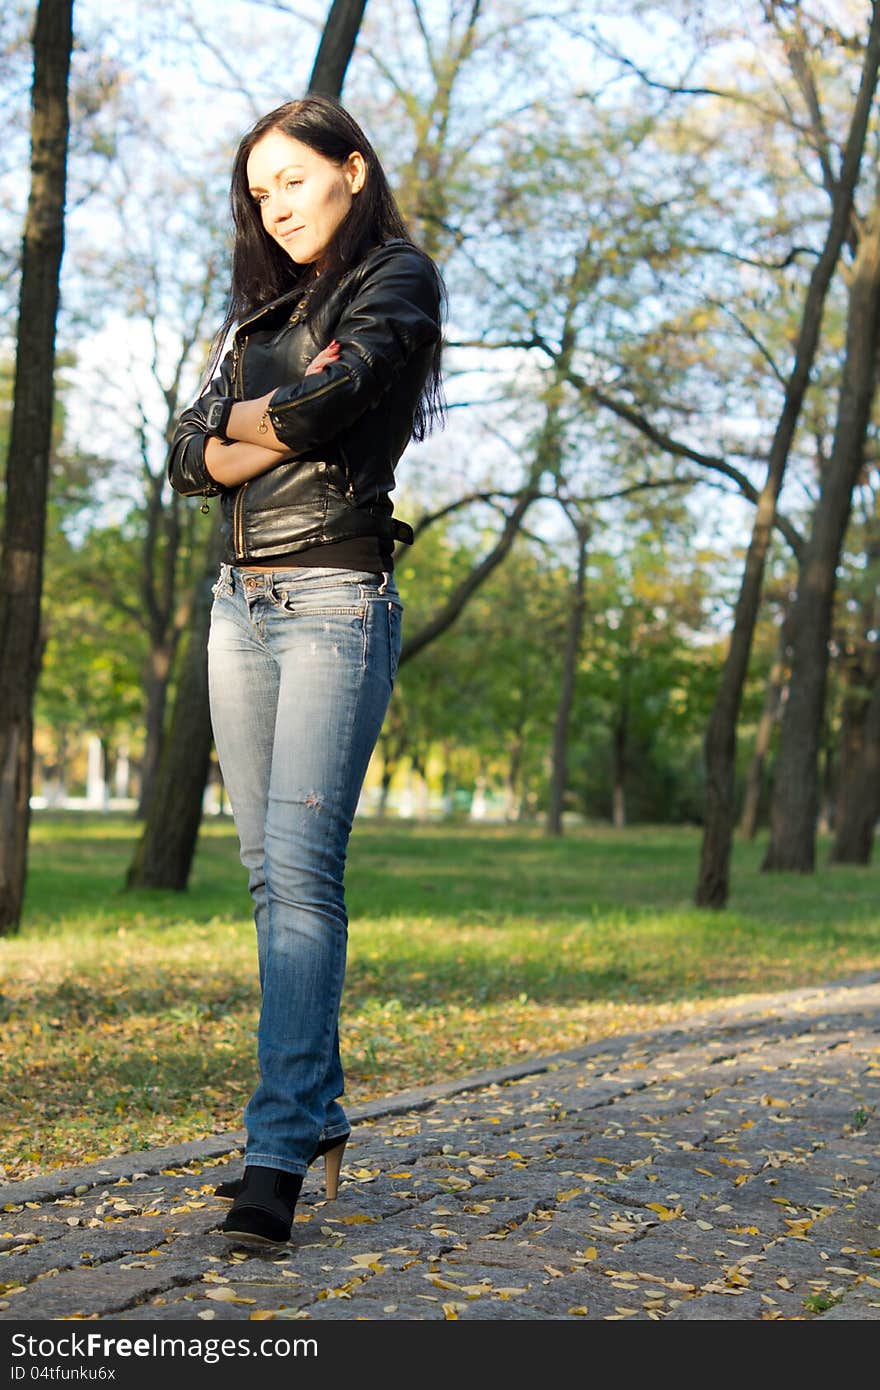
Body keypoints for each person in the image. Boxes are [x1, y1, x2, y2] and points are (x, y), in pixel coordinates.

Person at [167, 94, 446, 1247]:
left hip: (335, 596)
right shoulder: (258, 314)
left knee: (300, 872)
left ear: (352, 167)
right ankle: (319, 1108)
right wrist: (253, 427)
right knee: (266, 878)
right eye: (257, 189)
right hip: (239, 604)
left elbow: (338, 401)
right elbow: (186, 453)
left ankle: (273, 1155)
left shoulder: (395, 280)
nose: (272, 202)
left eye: (290, 177)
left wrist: (247, 428)